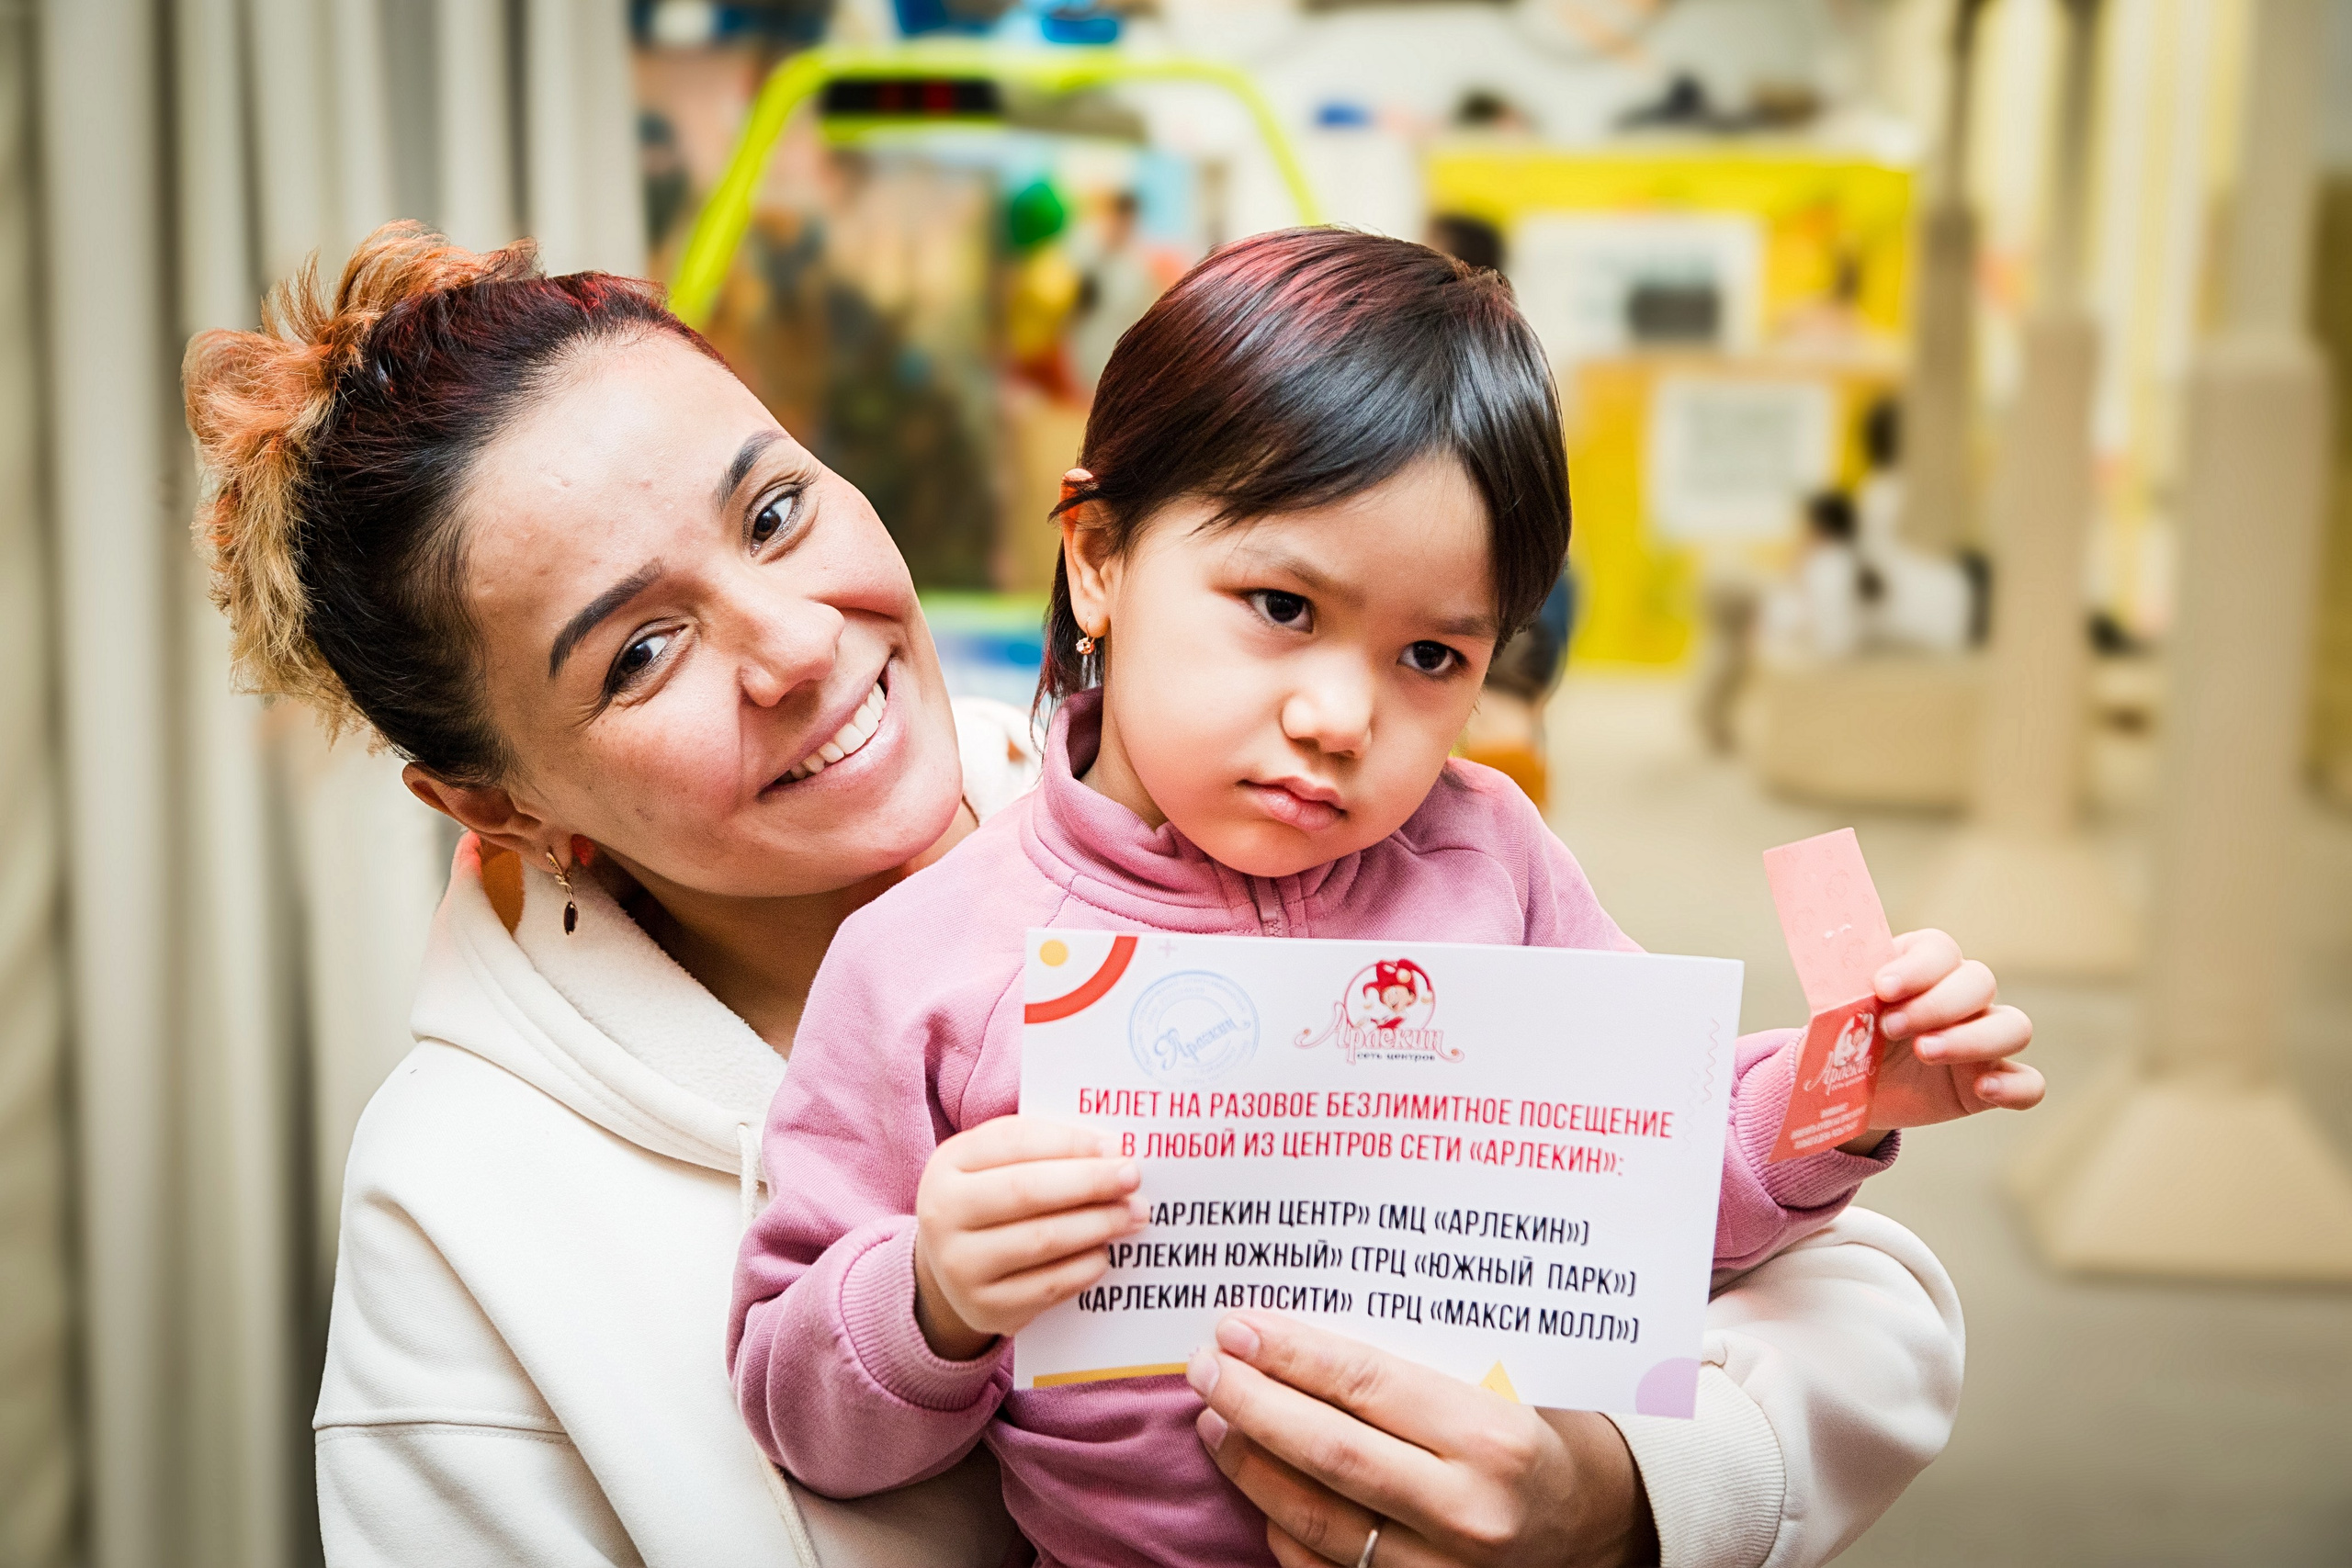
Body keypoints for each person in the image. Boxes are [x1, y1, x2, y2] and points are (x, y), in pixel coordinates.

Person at [184, 220, 1984, 1567]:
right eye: (641, 649)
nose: (798, 646)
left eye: (775, 512)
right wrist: (935, 1293)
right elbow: (808, 1369)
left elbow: (1748, 1232)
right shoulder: (474, 1196)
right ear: (486, 798)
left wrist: (1613, 1494)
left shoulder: (1432, 840)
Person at [730, 232, 2037, 1567]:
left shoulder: (1491, 858)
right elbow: (797, 1407)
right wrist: (930, 1298)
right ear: (1099, 560)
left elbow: (1648, 1193)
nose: (1343, 717)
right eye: (1283, 605)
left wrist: (1839, 1091)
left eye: (1431, 654)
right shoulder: (922, 963)